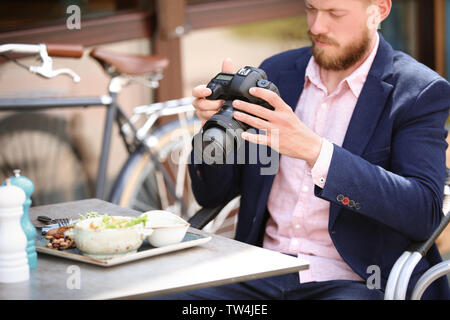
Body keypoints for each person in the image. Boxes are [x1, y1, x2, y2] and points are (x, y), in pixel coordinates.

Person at [170, 0, 450, 300]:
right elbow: (212, 195)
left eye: (335, 13)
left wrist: (317, 152)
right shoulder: (276, 72)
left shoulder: (417, 92)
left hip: (354, 282)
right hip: (257, 272)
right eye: (311, 8)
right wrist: (213, 129)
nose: (316, 26)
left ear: (378, 11)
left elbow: (423, 212)